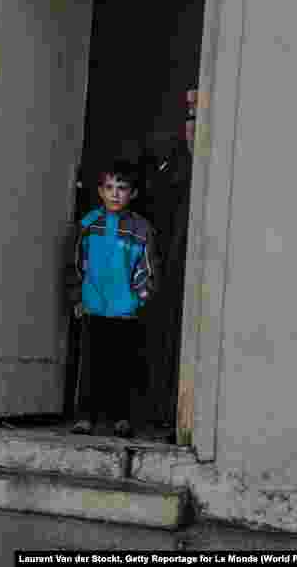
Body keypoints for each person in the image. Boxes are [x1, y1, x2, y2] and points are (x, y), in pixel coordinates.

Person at [66, 159, 158, 438]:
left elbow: (148, 268)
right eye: (109, 187)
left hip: (125, 309)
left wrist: (140, 299)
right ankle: (84, 417)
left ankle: (122, 418)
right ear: (100, 191)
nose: (115, 194)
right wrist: (76, 297)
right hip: (92, 305)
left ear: (133, 194)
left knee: (123, 365)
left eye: (122, 188)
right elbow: (75, 264)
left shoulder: (141, 229)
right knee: (91, 365)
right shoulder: (88, 225)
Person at [143, 89, 196, 427]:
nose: (192, 127)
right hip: (171, 255)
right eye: (188, 119)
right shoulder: (173, 162)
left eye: (197, 118)